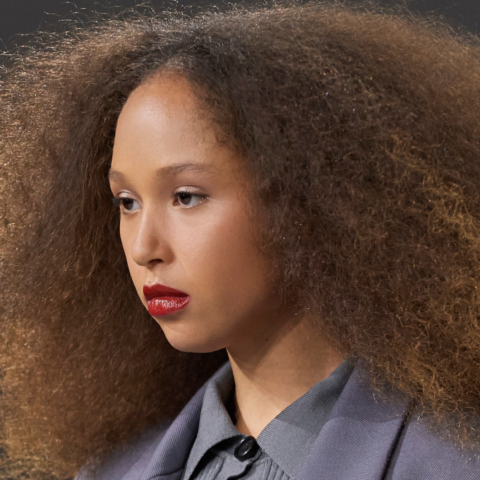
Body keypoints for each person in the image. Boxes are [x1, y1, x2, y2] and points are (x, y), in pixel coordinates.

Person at [1, 1, 480, 479]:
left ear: (311, 201)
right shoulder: (107, 473)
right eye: (127, 201)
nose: (144, 247)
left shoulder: (455, 463)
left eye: (186, 196)